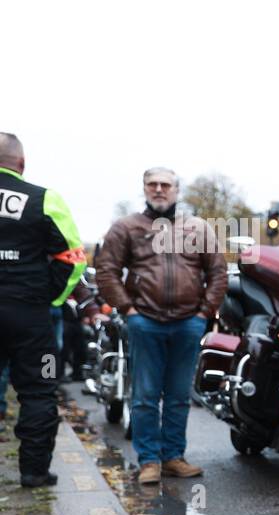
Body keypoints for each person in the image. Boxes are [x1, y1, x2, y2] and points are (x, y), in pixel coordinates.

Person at [96, 167, 227, 484]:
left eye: (165, 184)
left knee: (180, 395)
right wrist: (128, 309)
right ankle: (149, 461)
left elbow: (218, 272)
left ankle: (173, 457)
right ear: (144, 188)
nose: (159, 189)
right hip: (145, 322)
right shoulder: (127, 227)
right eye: (152, 184)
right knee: (144, 395)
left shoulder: (198, 228)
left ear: (176, 190)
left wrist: (203, 314)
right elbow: (107, 270)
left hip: (188, 323)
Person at [0, 133, 87, 486]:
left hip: (28, 308)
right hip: (29, 316)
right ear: (21, 163)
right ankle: (34, 471)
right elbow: (74, 259)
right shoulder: (44, 199)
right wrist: (49, 296)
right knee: (40, 390)